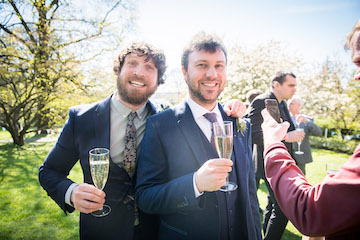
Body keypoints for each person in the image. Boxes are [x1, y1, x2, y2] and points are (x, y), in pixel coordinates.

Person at [38, 41, 244, 240]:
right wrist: (71, 192)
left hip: (155, 231)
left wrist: (229, 108)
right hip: (101, 230)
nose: (140, 72)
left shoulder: (167, 119)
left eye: (150, 67)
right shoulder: (82, 118)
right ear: (118, 70)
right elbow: (49, 171)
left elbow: (201, 111)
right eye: (132, 63)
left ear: (157, 79)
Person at [135, 33, 262, 240]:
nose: (212, 74)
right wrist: (195, 184)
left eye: (219, 66)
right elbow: (146, 197)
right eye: (202, 65)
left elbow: (249, 194)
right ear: (185, 72)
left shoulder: (240, 123)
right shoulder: (160, 125)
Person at [261, 19, 360, 240]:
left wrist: (276, 142)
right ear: (277, 85)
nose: (356, 76)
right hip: (278, 170)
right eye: (356, 64)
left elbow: (310, 210)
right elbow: (253, 133)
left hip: (294, 164)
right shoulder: (266, 102)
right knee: (275, 207)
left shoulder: (292, 110)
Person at [245, 72, 305, 240]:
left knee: (273, 205)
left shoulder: (283, 104)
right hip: (268, 163)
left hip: (280, 163)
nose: (294, 89)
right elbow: (252, 133)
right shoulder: (261, 101)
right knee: (283, 207)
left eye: (295, 86)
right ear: (276, 84)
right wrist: (287, 137)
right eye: (290, 85)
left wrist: (294, 132)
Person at [288, 96, 322, 175]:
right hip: (287, 153)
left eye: (292, 104)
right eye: (288, 104)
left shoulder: (307, 119)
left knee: (300, 178)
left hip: (300, 156)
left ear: (299, 105)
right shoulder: (284, 118)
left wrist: (307, 121)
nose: (289, 106)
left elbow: (318, 133)